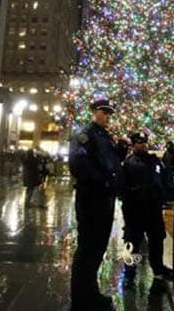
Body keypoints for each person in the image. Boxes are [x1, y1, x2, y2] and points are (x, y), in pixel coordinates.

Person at [68, 99, 123, 311]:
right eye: (103, 112)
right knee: (87, 249)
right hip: (92, 197)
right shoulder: (86, 134)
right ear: (93, 112)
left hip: (104, 198)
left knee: (97, 248)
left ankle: (90, 293)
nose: (107, 116)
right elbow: (78, 163)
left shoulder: (103, 135)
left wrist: (120, 152)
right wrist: (103, 181)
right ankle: (81, 299)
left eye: (110, 113)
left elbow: (108, 162)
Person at [121, 132, 172, 288]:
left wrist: (162, 194)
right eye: (139, 142)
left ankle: (158, 269)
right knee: (132, 243)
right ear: (133, 144)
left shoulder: (154, 161)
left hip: (153, 209)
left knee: (157, 240)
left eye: (144, 142)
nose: (143, 145)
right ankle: (129, 274)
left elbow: (164, 179)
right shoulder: (128, 163)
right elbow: (122, 187)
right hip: (135, 210)